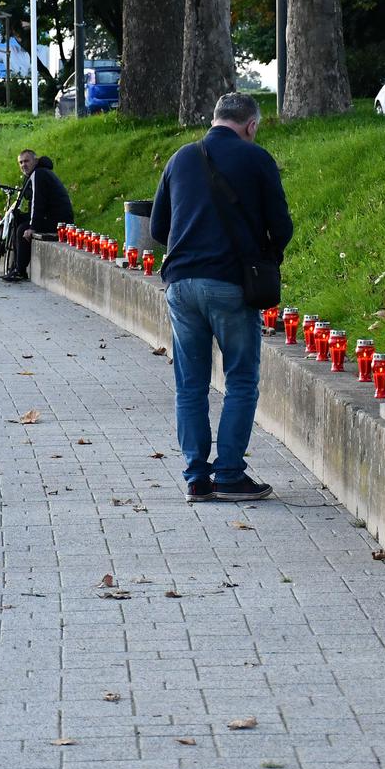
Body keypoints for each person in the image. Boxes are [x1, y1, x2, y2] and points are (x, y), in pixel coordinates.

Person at [150, 92, 293, 503]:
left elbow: (159, 227)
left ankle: (196, 477)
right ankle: (229, 474)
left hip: (181, 285)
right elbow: (281, 226)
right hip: (231, 284)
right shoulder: (257, 158)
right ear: (250, 125)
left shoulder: (181, 158)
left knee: (190, 386)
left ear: (214, 119)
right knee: (241, 380)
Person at [2, 149, 74, 282]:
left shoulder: (39, 174)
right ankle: (15, 266)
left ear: (35, 161)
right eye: (21, 162)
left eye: (27, 161)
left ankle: (20, 271)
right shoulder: (36, 174)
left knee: (22, 229)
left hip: (58, 221)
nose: (24, 165)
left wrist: (32, 227)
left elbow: (38, 202)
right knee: (17, 219)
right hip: (50, 216)